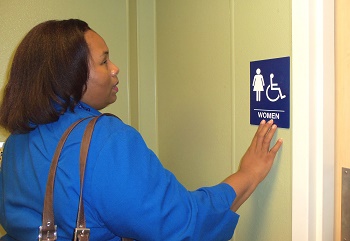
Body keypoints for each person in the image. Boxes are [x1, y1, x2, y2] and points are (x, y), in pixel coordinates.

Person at [0, 19, 283, 241]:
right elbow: (183, 225)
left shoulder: (16, 142)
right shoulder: (104, 141)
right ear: (70, 76)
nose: (115, 68)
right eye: (103, 61)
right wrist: (248, 174)